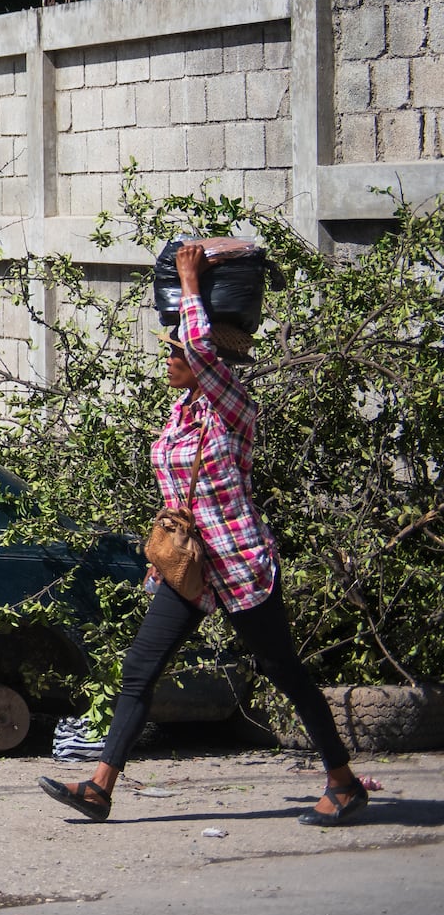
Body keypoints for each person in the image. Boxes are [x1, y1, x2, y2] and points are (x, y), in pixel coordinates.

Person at [40, 237, 367, 826]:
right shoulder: (182, 411)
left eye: (177, 350)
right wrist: (159, 559)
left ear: (208, 355)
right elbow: (176, 492)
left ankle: (343, 781)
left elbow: (198, 340)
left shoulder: (232, 403)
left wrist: (191, 284)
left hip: (239, 565)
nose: (168, 356)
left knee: (282, 669)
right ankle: (99, 786)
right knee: (141, 668)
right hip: (188, 569)